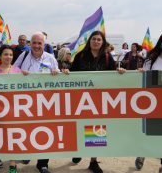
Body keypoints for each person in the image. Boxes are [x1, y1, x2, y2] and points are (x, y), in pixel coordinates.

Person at [68, 30, 125, 173]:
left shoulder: (107, 57)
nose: (96, 42)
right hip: (80, 99)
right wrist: (66, 72)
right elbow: (71, 76)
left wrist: (120, 72)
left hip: (99, 100)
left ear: (103, 42)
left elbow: (113, 75)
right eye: (94, 39)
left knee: (96, 129)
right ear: (90, 41)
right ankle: (79, 150)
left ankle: (93, 161)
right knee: (79, 126)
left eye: (99, 40)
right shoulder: (80, 56)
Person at [14, 32, 60, 173]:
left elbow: (58, 79)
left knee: (45, 132)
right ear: (30, 44)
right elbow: (12, 72)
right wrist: (19, 73)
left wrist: (57, 72)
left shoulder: (51, 58)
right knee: (28, 130)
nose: (36, 46)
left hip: (46, 102)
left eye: (40, 43)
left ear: (44, 45)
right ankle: (27, 153)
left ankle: (42, 164)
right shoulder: (23, 57)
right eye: (34, 43)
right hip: (27, 103)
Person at [0, 45, 21, 173]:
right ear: (0, 56)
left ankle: (13, 164)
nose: (9, 57)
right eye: (6, 54)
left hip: (13, 108)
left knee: (12, 135)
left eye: (11, 55)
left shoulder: (18, 70)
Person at [135, 34, 162, 173]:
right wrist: (140, 73)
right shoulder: (151, 60)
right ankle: (142, 153)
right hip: (152, 102)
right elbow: (143, 78)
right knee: (151, 132)